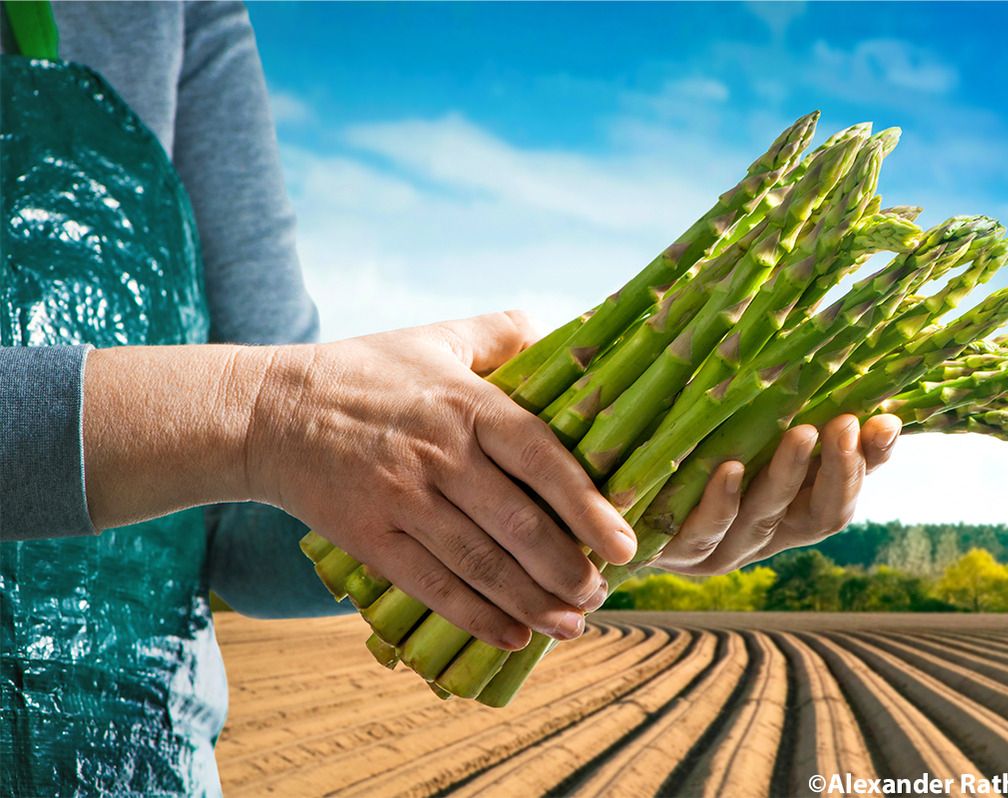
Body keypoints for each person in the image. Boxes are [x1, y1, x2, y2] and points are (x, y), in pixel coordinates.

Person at [0, 2, 900, 794]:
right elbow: (260, 421)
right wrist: (259, 412)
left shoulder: (178, 10)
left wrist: (593, 501)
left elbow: (237, 524)